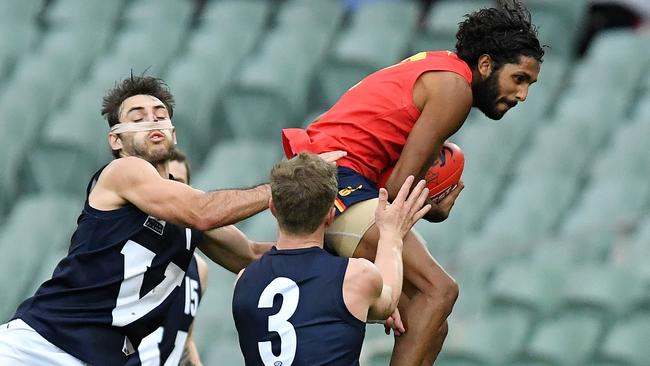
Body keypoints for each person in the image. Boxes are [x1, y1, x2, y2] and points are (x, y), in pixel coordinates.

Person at [0, 75, 344, 366]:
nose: (152, 121)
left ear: (174, 132)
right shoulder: (124, 171)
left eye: (160, 114)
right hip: (40, 345)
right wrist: (291, 184)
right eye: (137, 117)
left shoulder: (181, 203)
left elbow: (252, 255)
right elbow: (203, 211)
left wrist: (349, 262)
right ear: (115, 140)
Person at [281, 1, 544, 364]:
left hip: (328, 177)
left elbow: (391, 183)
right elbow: (398, 190)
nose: (523, 95)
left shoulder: (436, 67)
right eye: (519, 79)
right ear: (486, 65)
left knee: (430, 321)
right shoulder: (455, 90)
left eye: (529, 84)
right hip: (337, 179)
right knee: (439, 291)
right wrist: (432, 211)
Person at [232, 152, 431, 365]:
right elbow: (389, 300)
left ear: (272, 207)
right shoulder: (356, 278)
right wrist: (391, 235)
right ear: (330, 215)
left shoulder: (244, 281)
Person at [129, 147, 207, 366]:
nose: (170, 191)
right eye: (162, 183)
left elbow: (185, 339)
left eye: (178, 182)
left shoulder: (199, 269)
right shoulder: (123, 253)